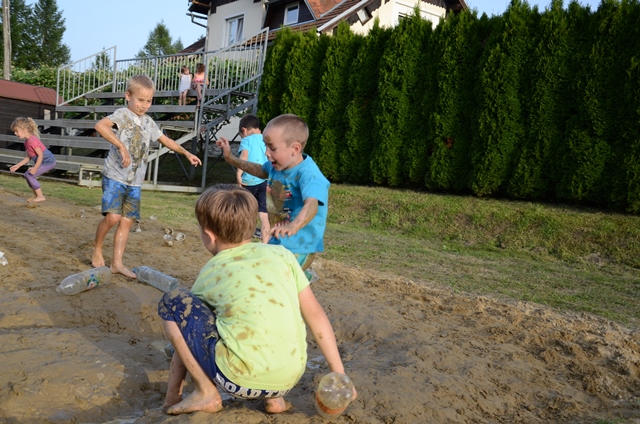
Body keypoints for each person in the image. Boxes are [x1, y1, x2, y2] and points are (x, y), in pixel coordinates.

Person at [157, 184, 356, 415]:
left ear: (209, 235)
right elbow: (315, 315)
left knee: (174, 302)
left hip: (237, 381)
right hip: (288, 379)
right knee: (264, 309)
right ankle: (275, 399)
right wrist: (339, 375)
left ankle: (205, 392)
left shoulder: (213, 270)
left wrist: (172, 398)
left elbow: (187, 331)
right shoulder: (283, 255)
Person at [92, 75, 202, 278]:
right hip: (115, 175)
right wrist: (121, 145)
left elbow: (166, 140)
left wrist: (186, 153)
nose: (144, 105)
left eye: (149, 101)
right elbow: (100, 126)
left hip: (135, 181)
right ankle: (97, 247)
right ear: (128, 96)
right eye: (140, 100)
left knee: (127, 221)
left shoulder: (148, 122)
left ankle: (117, 263)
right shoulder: (122, 115)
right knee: (113, 217)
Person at [216, 114, 329, 281]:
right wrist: (231, 159)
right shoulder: (277, 167)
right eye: (265, 146)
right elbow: (260, 170)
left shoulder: (309, 174)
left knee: (271, 279)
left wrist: (294, 226)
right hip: (279, 240)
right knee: (262, 270)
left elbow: (312, 203)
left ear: (295, 149)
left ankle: (300, 279)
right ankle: (301, 279)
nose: (266, 153)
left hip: (299, 245)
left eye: (272, 148)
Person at [236, 114, 270, 243]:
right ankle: (265, 242)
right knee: (264, 214)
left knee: (246, 211)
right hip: (264, 181)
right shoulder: (266, 139)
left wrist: (239, 174)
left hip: (248, 182)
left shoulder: (247, 140)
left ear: (244, 130)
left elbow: (244, 157)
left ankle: (244, 240)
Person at [9, 117, 57, 203]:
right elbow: (28, 157)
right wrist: (18, 165)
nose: (15, 133)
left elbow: (40, 155)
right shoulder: (27, 142)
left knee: (30, 175)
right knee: (27, 174)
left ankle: (40, 196)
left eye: (16, 131)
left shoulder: (32, 140)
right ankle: (36, 195)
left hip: (48, 162)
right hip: (42, 162)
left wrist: (35, 168)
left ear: (24, 129)